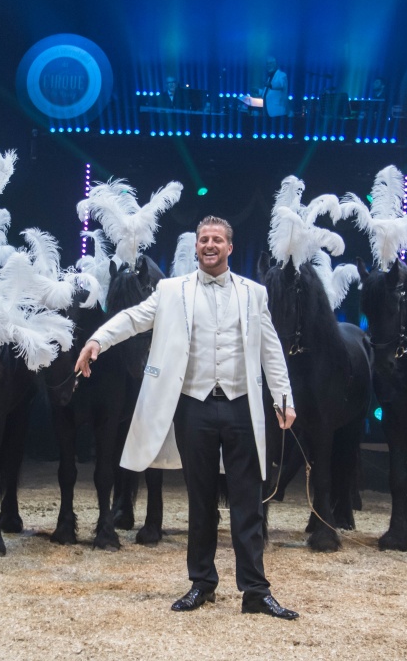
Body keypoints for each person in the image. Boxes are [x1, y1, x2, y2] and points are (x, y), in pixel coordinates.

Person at [75, 216, 299, 620]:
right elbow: (133, 318)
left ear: (230, 247)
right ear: (196, 247)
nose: (209, 245)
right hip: (193, 406)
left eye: (217, 239)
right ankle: (202, 583)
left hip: (241, 405)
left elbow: (271, 349)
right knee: (201, 500)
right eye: (203, 240)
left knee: (248, 501)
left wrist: (284, 398)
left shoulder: (254, 294)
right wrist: (97, 340)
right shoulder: (170, 290)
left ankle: (255, 591)